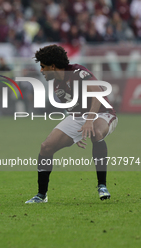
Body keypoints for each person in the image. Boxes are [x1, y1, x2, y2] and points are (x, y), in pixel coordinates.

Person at [25, 45, 118, 204]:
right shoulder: (57, 84)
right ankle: (41, 195)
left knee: (96, 132)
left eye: (43, 66)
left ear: (52, 66)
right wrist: (76, 133)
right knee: (46, 147)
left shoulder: (78, 72)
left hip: (103, 112)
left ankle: (102, 186)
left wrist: (89, 121)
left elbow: (98, 94)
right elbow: (74, 111)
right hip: (79, 117)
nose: (41, 70)